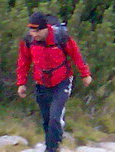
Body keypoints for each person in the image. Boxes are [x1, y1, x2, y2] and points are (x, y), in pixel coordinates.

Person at [16, 11, 92, 152]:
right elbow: (23, 62)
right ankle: (52, 143)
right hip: (41, 83)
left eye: (38, 30)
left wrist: (85, 74)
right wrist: (21, 83)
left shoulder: (61, 37)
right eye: (32, 30)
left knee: (55, 118)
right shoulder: (28, 41)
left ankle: (51, 148)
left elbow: (76, 54)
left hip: (62, 81)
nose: (34, 34)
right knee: (46, 120)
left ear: (46, 28)